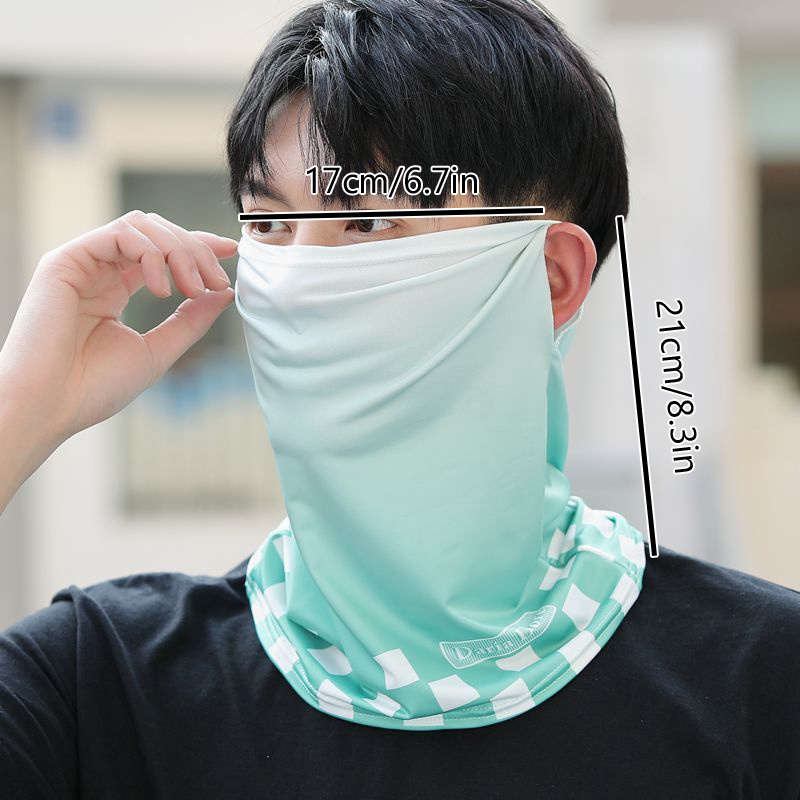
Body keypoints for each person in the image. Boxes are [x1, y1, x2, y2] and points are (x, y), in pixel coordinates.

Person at [1, 0, 798, 796]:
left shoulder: (760, 679)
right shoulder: (102, 685)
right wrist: (21, 409)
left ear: (549, 278)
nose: (297, 282)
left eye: (367, 222)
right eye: (269, 226)